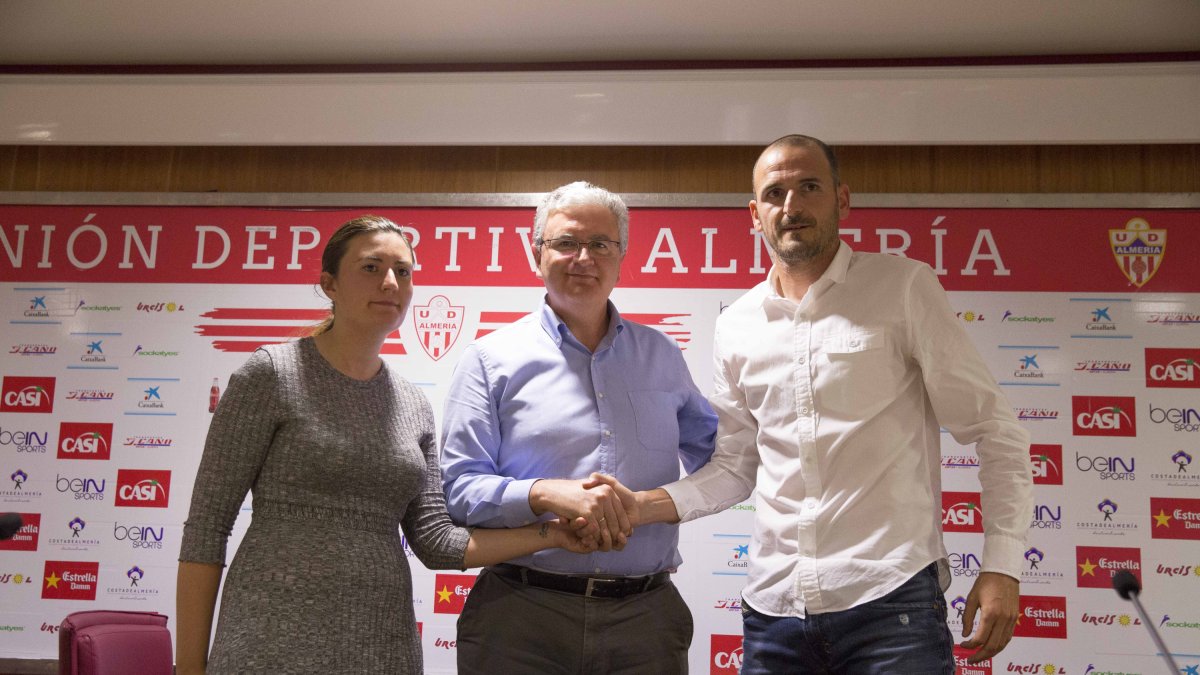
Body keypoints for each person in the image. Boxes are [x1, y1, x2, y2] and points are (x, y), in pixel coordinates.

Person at [597, 135, 1033, 672]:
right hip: (773, 609)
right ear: (755, 215)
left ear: (842, 200)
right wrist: (639, 508)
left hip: (891, 603)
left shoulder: (903, 287)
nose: (792, 206)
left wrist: (1003, 565)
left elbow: (996, 430)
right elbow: (736, 466)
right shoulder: (737, 323)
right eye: (775, 193)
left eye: (809, 187)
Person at [176, 215, 596, 675]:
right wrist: (189, 667)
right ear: (329, 284)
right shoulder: (271, 374)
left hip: (382, 646)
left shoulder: (414, 403)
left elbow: (436, 541)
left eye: (404, 271)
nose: (391, 282)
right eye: (371, 268)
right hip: (269, 641)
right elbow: (206, 529)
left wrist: (550, 533)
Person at [439, 181, 718, 674]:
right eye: (566, 242)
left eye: (600, 244)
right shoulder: (488, 359)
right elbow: (460, 490)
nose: (583, 257)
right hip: (521, 618)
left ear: (621, 255)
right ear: (536, 253)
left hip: (646, 620)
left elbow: (722, 463)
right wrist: (546, 494)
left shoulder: (662, 355)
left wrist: (656, 506)